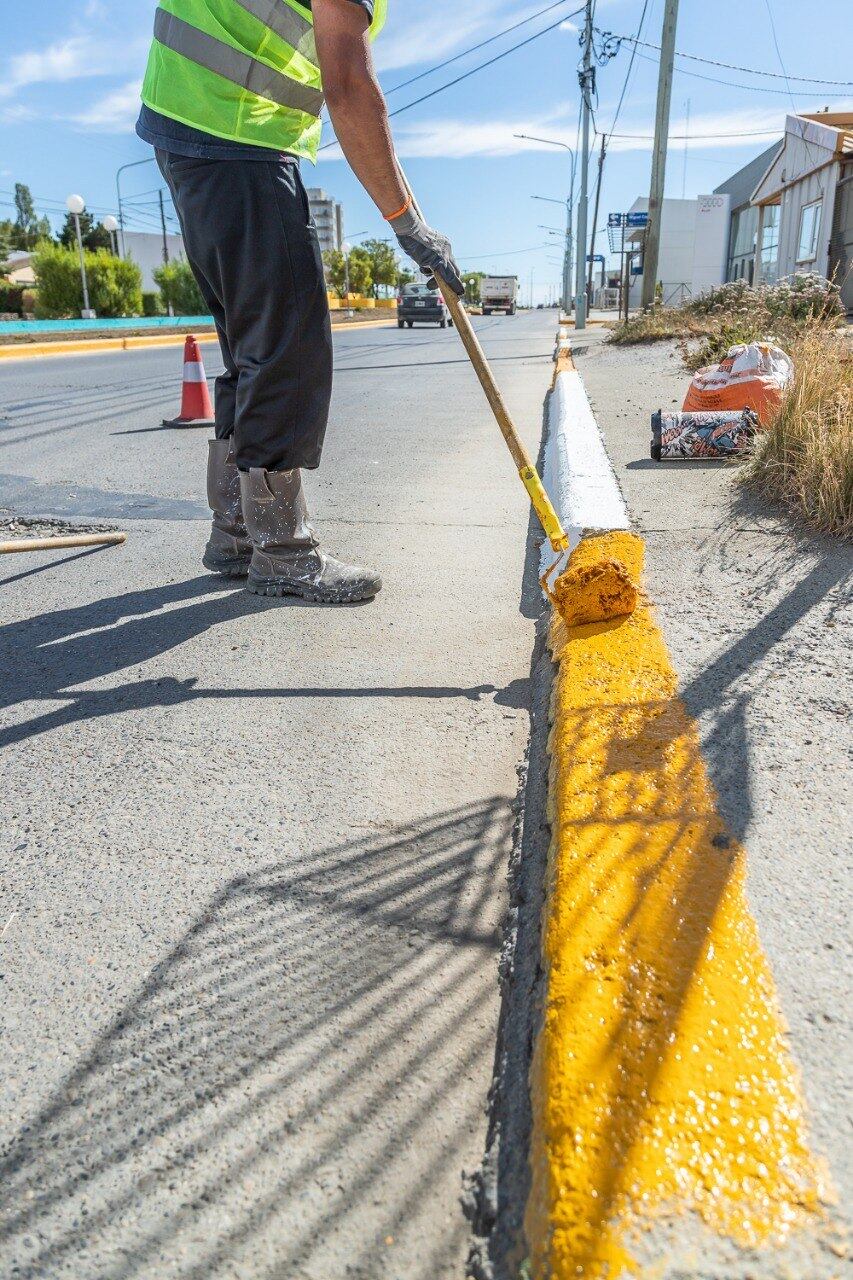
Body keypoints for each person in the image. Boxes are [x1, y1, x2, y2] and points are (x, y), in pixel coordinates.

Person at [136, 0, 463, 603]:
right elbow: (348, 85)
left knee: (257, 345)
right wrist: (405, 223)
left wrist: (415, 222)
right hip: (234, 133)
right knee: (289, 351)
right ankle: (282, 550)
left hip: (191, 124)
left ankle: (237, 531)